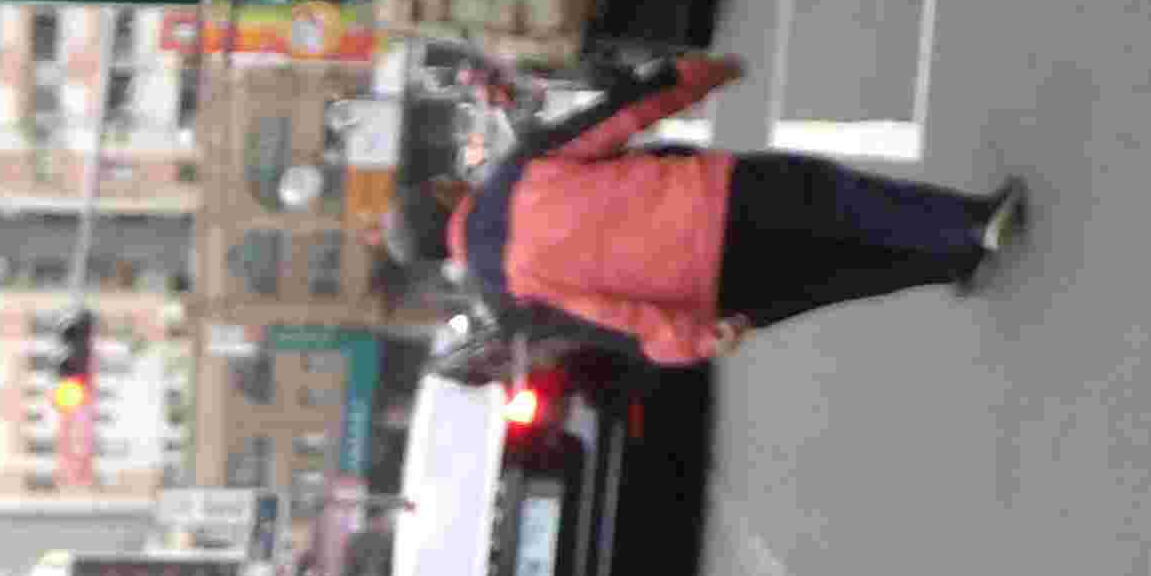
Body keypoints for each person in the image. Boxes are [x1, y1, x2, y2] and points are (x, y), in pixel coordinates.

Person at [396, 50, 1025, 366]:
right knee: (841, 200)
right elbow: (617, 117)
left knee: (837, 277)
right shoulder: (517, 172)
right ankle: (971, 223)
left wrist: (695, 339)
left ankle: (950, 262)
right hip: (718, 198)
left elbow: (610, 323)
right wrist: (696, 77)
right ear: (446, 194)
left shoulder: (508, 300)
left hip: (711, 290)